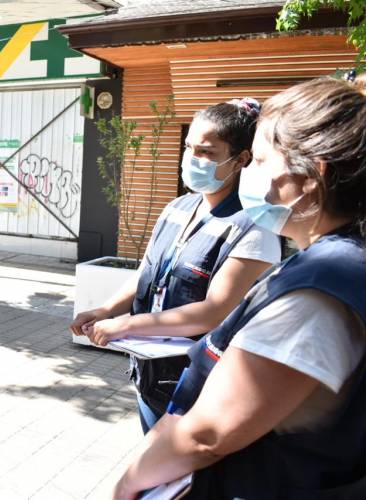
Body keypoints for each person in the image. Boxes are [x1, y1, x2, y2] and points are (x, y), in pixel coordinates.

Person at [112, 77, 366, 500]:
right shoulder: (335, 264)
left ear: (311, 176)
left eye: (261, 160)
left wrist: (127, 483)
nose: (249, 174)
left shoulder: (320, 290)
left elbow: (207, 435)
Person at [71, 99, 281, 432]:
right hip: (151, 379)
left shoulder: (253, 226)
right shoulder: (178, 208)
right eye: (189, 147)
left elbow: (213, 312)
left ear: (240, 159)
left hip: (200, 390)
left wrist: (126, 325)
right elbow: (147, 273)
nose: (192, 159)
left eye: (207, 152)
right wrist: (107, 310)